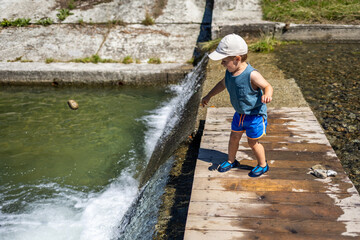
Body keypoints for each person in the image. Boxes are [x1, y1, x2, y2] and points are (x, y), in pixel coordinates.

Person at [201, 33, 273, 177]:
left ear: (237, 59)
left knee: (253, 143)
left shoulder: (251, 75)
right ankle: (231, 160)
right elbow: (222, 85)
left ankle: (263, 165)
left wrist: (267, 94)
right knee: (233, 138)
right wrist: (209, 95)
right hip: (239, 114)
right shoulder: (229, 72)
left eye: (224, 61)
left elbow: (267, 86)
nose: (222, 64)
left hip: (254, 116)